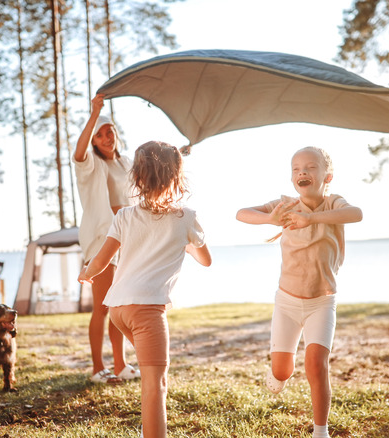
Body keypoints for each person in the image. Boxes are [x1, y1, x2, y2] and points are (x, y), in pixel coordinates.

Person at [78, 141, 212, 438]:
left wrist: (87, 274)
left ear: (137, 178)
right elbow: (206, 260)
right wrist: (188, 244)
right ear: (176, 177)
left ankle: (148, 429)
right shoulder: (186, 217)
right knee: (156, 386)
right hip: (147, 311)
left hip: (118, 309)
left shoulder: (124, 215)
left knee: (151, 376)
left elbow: (101, 259)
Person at [237, 147, 362, 438]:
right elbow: (242, 213)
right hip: (288, 303)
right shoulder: (285, 205)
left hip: (322, 301)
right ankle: (278, 373)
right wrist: (269, 219)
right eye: (296, 169)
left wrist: (313, 220)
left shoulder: (334, 204)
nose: (302, 172)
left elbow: (356, 213)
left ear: (326, 176)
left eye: (310, 167)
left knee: (316, 364)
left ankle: (321, 431)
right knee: (283, 370)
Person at [73, 93, 139, 384]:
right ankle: (97, 369)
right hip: (101, 239)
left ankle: (120, 366)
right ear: (94, 141)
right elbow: (78, 153)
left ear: (115, 133)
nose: (105, 137)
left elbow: (137, 196)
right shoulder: (90, 165)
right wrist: (95, 113)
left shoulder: (126, 163)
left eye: (108, 131)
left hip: (127, 241)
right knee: (102, 307)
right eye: (99, 135)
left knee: (119, 304)